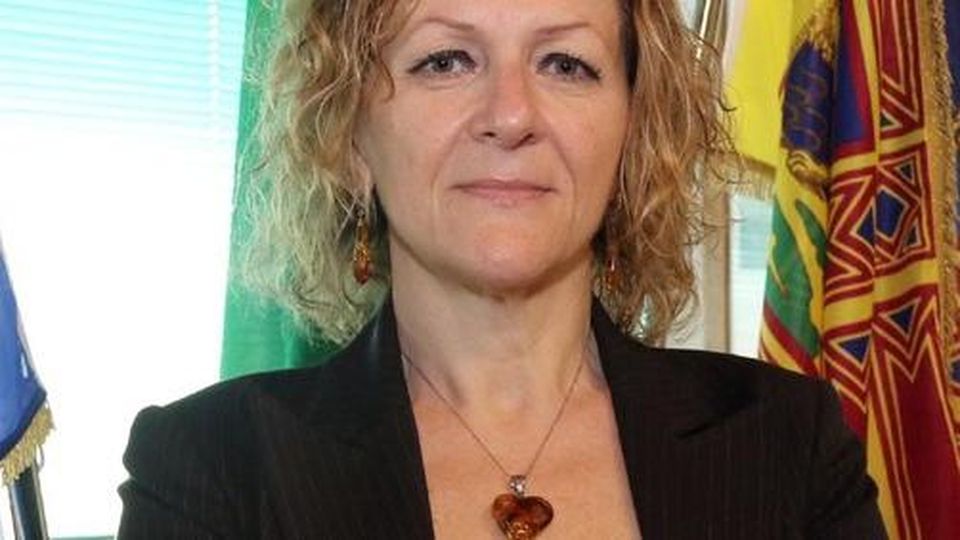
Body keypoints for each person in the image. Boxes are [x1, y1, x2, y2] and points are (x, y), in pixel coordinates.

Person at [118, 0, 886, 538]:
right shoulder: (211, 467)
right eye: (446, 60)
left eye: (565, 63)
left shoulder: (790, 444)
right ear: (348, 131)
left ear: (634, 127)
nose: (511, 115)